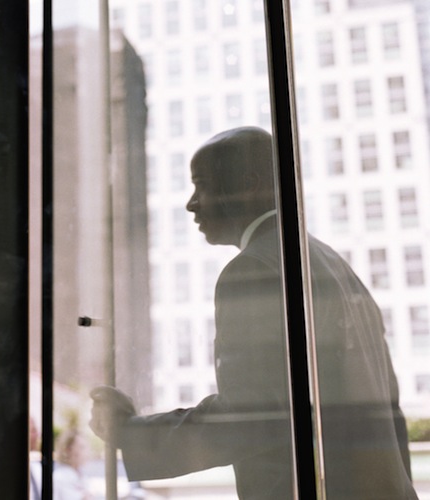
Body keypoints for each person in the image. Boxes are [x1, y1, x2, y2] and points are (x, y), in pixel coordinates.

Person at [89, 126, 417, 499]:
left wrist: (132, 432)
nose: (191, 203)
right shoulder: (332, 265)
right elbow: (386, 411)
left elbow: (253, 417)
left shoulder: (255, 267)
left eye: (202, 185)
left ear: (248, 184)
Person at [52, 430, 90, 500]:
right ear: (68, 450)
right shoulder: (61, 477)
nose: (87, 452)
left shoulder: (80, 474)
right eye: (81, 447)